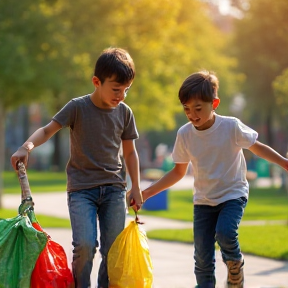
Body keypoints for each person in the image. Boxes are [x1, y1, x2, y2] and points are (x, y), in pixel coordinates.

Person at [141, 70, 288, 288]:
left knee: (226, 232)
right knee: (202, 258)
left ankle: (234, 263)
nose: (192, 114)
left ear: (215, 103)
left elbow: (258, 148)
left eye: (198, 108)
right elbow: (177, 172)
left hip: (233, 194)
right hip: (203, 201)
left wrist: (284, 163)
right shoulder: (185, 134)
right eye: (187, 109)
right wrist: (146, 193)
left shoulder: (231, 126)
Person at [11, 47, 143, 288]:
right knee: (84, 245)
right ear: (96, 81)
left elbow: (130, 152)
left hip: (114, 189)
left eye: (126, 90)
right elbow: (47, 130)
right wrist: (26, 147)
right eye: (116, 89)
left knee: (112, 250)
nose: (121, 95)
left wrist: (136, 187)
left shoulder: (125, 113)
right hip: (82, 190)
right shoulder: (77, 107)